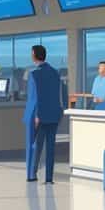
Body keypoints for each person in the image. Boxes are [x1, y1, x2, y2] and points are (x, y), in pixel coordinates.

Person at [24, 45, 63, 184]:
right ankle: (49, 178)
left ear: (34, 55)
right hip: (54, 114)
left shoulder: (34, 74)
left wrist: (36, 115)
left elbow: (35, 97)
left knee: (35, 146)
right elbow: (59, 95)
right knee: (51, 147)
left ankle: (32, 174)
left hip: (39, 115)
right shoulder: (55, 72)